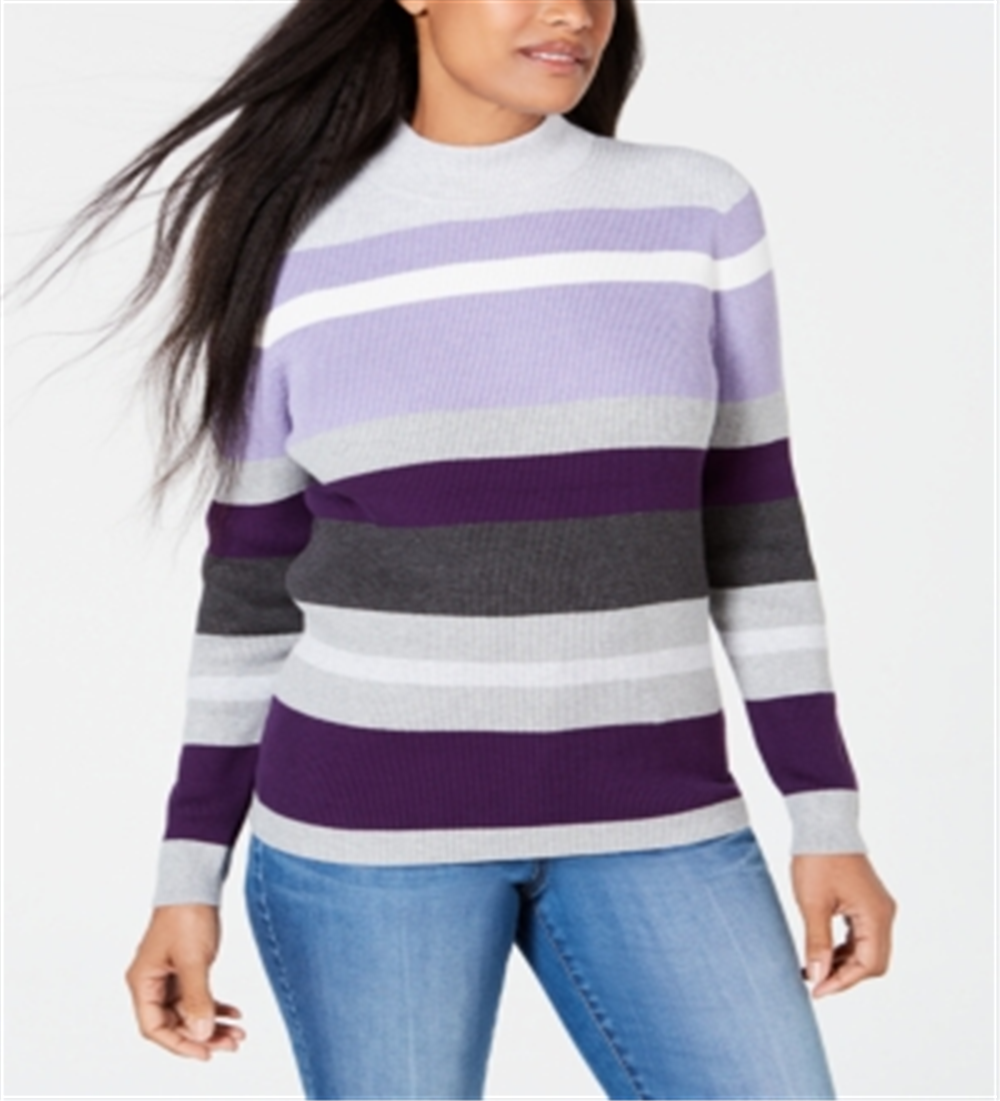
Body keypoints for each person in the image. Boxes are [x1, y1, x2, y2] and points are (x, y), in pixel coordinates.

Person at [22, 1, 895, 1097]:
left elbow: (756, 529)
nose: (573, 12)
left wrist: (825, 815)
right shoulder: (292, 241)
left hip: (658, 817)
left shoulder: (694, 208)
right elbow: (249, 590)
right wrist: (186, 877)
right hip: (364, 843)